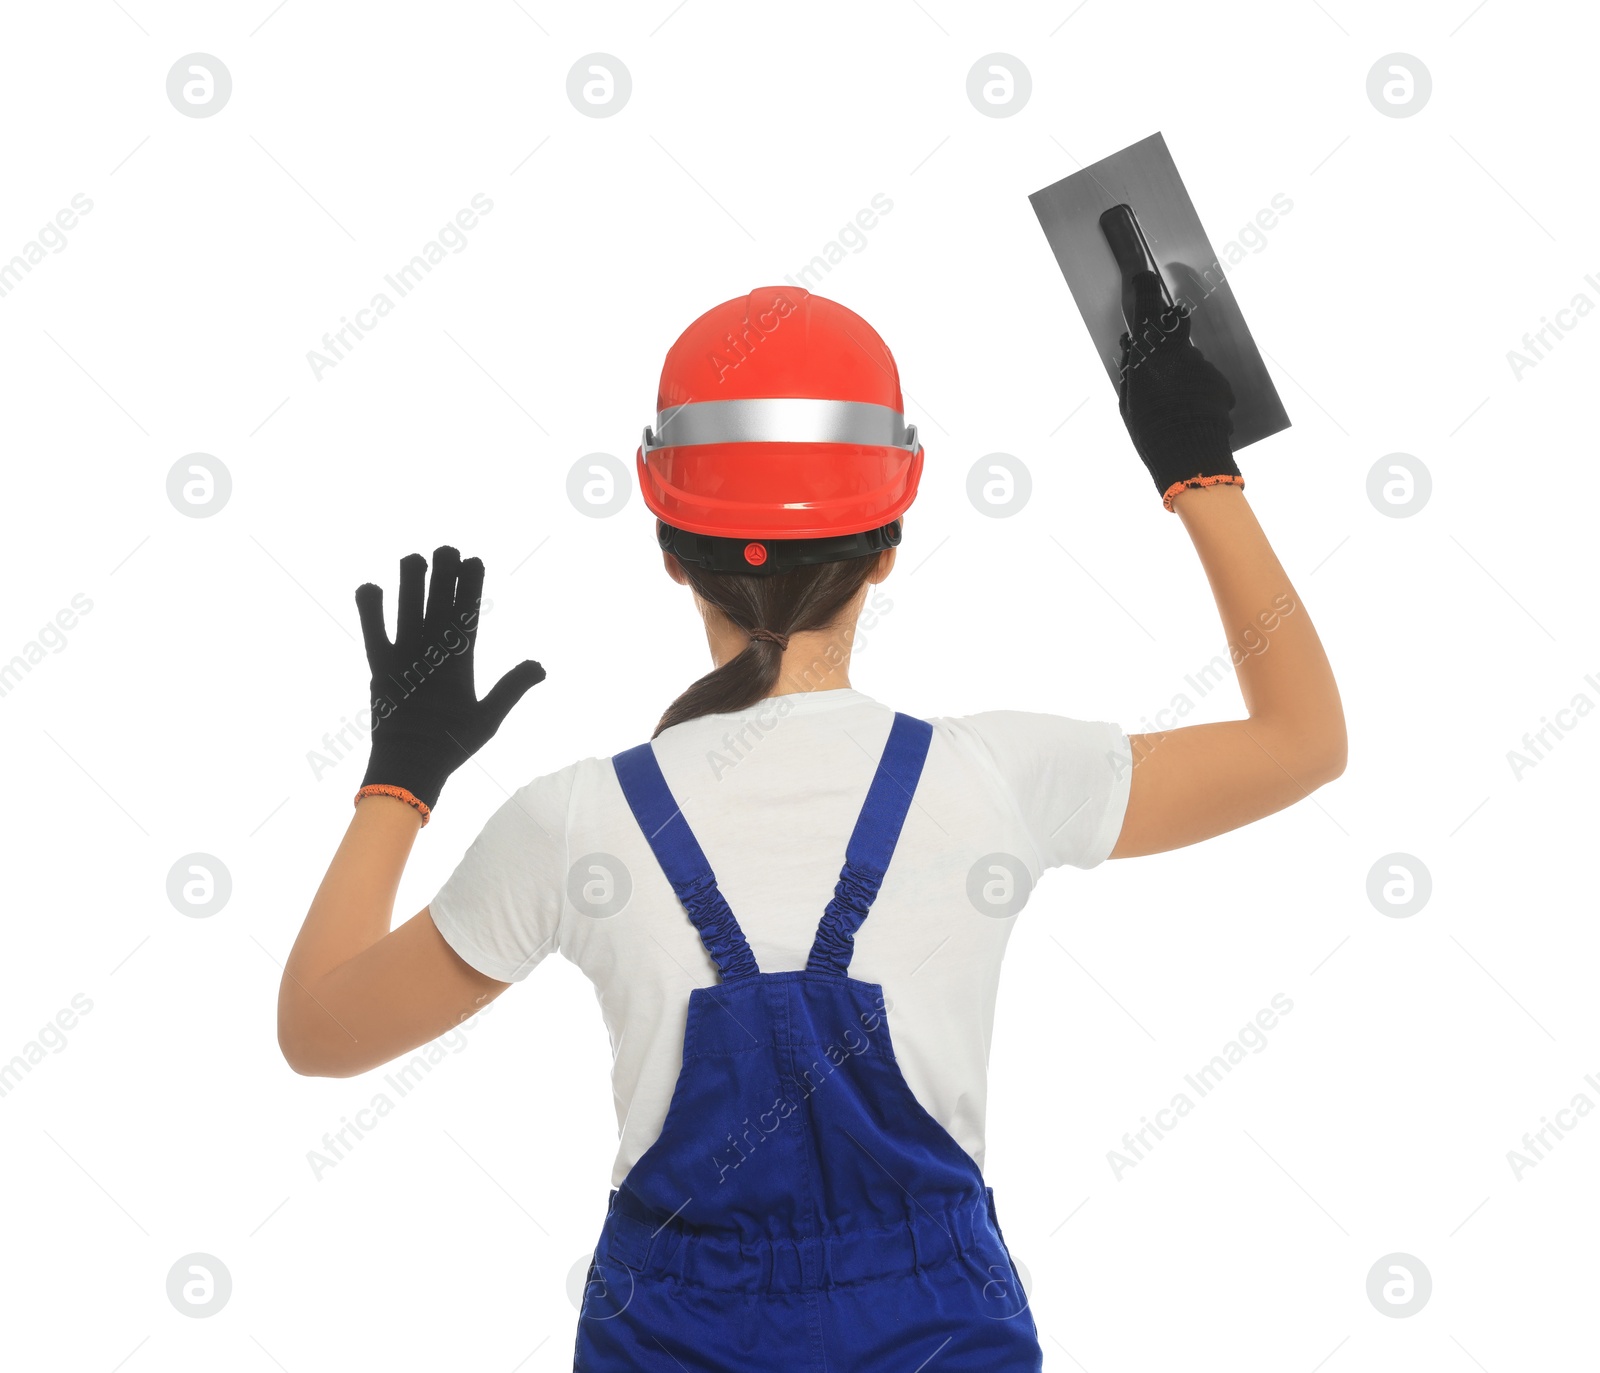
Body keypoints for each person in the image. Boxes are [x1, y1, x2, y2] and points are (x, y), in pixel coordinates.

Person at [277, 282, 1345, 1370]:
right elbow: (1303, 739)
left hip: (670, 1335)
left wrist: (399, 780)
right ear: (887, 546)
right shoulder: (998, 777)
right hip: (940, 1331)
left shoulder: (573, 821)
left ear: (668, 545)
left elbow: (318, 1030)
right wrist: (1193, 466)